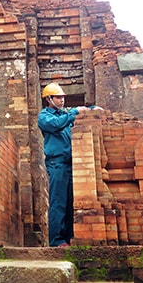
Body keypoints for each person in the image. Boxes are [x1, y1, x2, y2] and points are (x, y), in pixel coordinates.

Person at [38, 82, 100, 247]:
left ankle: (68, 238)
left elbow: (75, 116)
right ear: (49, 99)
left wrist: (92, 109)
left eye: (63, 97)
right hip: (56, 163)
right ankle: (56, 240)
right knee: (58, 201)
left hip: (71, 163)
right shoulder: (45, 117)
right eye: (58, 97)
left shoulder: (65, 114)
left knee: (70, 202)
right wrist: (75, 111)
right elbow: (57, 124)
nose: (62, 100)